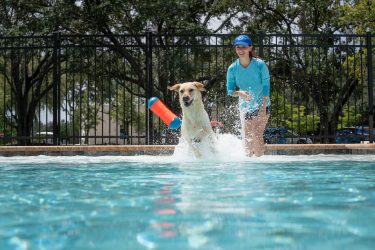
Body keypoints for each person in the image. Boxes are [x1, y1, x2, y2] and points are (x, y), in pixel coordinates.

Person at [226, 34, 271, 157]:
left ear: (250, 48)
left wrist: (263, 108)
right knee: (248, 136)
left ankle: (259, 162)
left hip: (262, 105)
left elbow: (266, 85)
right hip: (246, 107)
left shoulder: (260, 64)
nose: (240, 50)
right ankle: (249, 162)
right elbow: (229, 90)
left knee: (256, 133)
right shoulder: (232, 69)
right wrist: (239, 92)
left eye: (244, 47)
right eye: (238, 47)